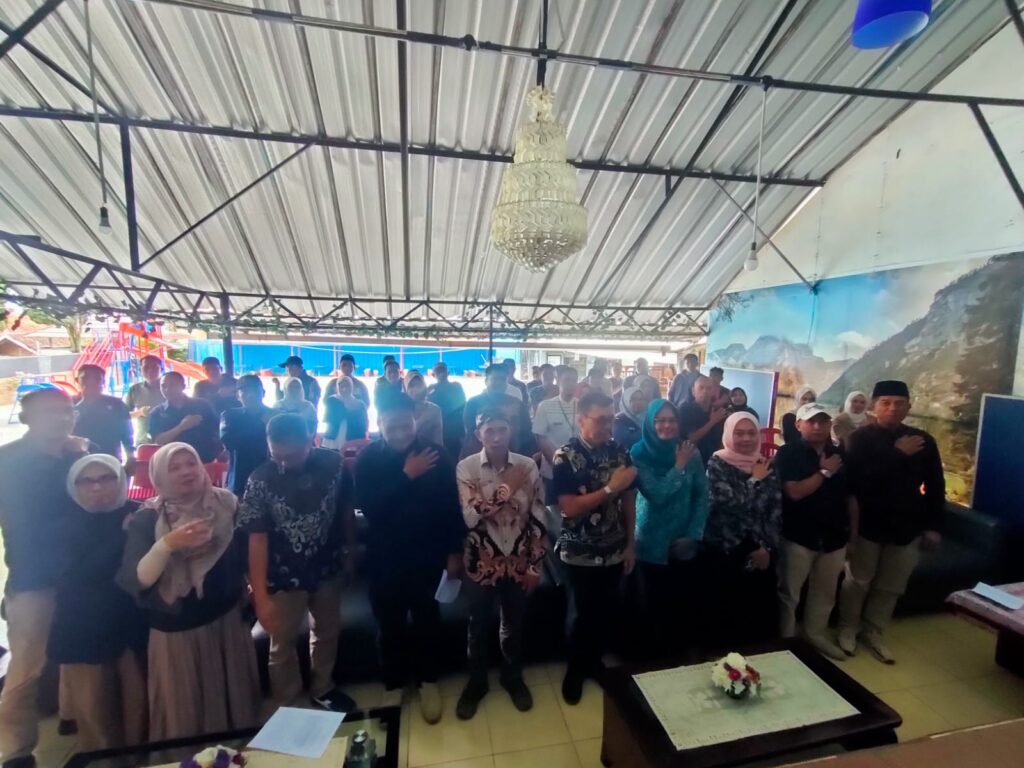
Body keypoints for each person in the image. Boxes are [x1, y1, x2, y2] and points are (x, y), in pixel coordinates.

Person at [117, 443, 260, 740]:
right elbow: (139, 579)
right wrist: (168, 544)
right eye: (174, 467)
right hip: (178, 630)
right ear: (158, 475)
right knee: (185, 708)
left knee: (234, 697)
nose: (186, 472)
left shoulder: (226, 503)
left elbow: (246, 552)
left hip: (227, 619)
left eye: (191, 463)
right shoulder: (148, 518)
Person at [354, 393, 465, 724]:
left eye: (406, 425)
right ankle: (393, 685)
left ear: (415, 420)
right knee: (389, 624)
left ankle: (429, 681)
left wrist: (454, 552)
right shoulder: (368, 459)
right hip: (384, 557)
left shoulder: (437, 454)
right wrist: (406, 476)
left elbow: (452, 508)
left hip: (428, 556)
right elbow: (370, 509)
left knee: (428, 620)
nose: (401, 433)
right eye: (392, 427)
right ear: (379, 423)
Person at [239, 414, 357, 712]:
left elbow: (346, 511)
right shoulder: (259, 480)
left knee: (327, 630)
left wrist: (350, 550)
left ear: (310, 441)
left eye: (290, 456)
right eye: (275, 455)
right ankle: (289, 702)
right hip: (282, 575)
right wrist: (260, 595)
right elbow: (256, 539)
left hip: (327, 567)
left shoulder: (334, 464)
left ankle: (323, 688)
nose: (282, 463)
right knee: (282, 643)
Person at [0, 390, 85, 768]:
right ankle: (16, 751)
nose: (63, 418)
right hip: (34, 577)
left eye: (67, 411)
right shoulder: (10, 460)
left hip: (80, 574)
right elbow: (31, 517)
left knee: (77, 652)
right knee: (26, 668)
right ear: (28, 418)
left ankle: (71, 716)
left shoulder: (74, 456)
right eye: (52, 412)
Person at [837, 381, 944, 664]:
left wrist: (933, 526)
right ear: (875, 406)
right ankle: (847, 629)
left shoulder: (922, 441)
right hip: (867, 525)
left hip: (907, 527)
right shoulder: (858, 439)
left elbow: (935, 486)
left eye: (899, 403)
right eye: (886, 402)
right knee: (857, 582)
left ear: (909, 407)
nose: (892, 408)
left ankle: (874, 632)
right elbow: (857, 482)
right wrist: (896, 455)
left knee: (891, 586)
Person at [50, 456, 147, 751]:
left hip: (131, 623)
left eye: (106, 478)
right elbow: (79, 573)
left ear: (121, 479)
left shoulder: (137, 512)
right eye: (87, 481)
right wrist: (122, 535)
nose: (97, 487)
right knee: (94, 706)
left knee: (136, 699)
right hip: (84, 627)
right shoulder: (63, 524)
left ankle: (138, 756)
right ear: (74, 486)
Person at [454, 411, 547, 720]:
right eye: (489, 430)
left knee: (513, 625)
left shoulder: (528, 465)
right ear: (478, 434)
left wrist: (534, 565)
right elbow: (471, 517)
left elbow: (538, 517)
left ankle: (512, 677)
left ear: (511, 431)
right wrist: (508, 487)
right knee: (477, 626)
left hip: (519, 560)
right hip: (481, 562)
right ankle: (477, 683)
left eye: (502, 429)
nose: (496, 436)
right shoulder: (466, 467)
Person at [552, 391, 637, 705]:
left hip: (614, 548)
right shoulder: (565, 456)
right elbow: (570, 508)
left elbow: (629, 499)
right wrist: (611, 487)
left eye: (610, 420)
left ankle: (595, 662)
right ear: (581, 420)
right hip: (579, 552)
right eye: (599, 420)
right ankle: (575, 669)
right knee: (579, 616)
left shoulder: (620, 451)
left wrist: (630, 543)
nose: (606, 426)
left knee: (605, 611)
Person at [774, 404, 854, 660]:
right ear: (799, 425)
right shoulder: (788, 453)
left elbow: (850, 497)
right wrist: (824, 472)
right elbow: (794, 492)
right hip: (798, 536)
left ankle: (815, 635)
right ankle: (785, 641)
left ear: (830, 424)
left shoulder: (839, 454)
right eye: (811, 421)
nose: (817, 427)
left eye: (823, 421)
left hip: (834, 537)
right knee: (789, 593)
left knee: (825, 592)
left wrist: (852, 535)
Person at [630, 400, 707, 659]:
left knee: (680, 602)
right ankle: (651, 660)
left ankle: (677, 657)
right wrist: (679, 466)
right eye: (660, 420)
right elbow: (657, 495)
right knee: (651, 604)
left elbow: (701, 495)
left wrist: (694, 535)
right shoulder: (639, 454)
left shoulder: (690, 451)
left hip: (684, 540)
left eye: (672, 420)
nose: (667, 425)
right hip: (650, 542)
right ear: (650, 424)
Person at [704, 413, 782, 645]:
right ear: (728, 434)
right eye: (739, 433)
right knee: (727, 614)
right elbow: (726, 503)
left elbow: (775, 509)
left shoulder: (764, 464)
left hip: (763, 550)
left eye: (751, 433)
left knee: (758, 615)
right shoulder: (717, 463)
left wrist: (765, 547)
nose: (746, 439)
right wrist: (754, 481)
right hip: (727, 548)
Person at [147, 372, 222, 462]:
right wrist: (181, 427)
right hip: (174, 463)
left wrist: (222, 451)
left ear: (183, 386)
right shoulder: (157, 413)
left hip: (206, 460)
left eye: (172, 385)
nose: (167, 389)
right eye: (163, 386)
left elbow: (218, 429)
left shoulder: (202, 405)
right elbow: (158, 441)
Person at [462, 364, 533, 458]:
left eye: (502, 379)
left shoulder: (517, 404)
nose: (499, 383)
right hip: (479, 457)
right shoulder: (473, 403)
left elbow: (526, 432)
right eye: (495, 379)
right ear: (486, 381)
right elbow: (470, 433)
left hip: (513, 456)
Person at [532, 366, 580, 504]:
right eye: (566, 380)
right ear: (557, 381)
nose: (570, 384)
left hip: (578, 468)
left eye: (574, 380)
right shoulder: (545, 406)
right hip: (552, 468)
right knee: (552, 509)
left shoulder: (582, 405)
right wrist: (557, 465)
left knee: (576, 507)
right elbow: (540, 438)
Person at [220, 375, 273, 496]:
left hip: (271, 476)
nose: (250, 395)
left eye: (255, 390)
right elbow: (229, 442)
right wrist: (261, 424)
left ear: (263, 392)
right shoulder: (229, 416)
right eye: (245, 391)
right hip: (239, 479)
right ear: (237, 395)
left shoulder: (276, 415)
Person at [73, 364, 134, 463]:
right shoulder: (69, 406)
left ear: (104, 382)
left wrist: (131, 457)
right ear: (77, 381)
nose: (91, 382)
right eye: (85, 378)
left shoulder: (116, 405)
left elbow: (127, 434)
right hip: (78, 462)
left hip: (111, 460)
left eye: (97, 379)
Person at [677, 375, 730, 464]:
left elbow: (724, 438)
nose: (705, 391)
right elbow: (692, 438)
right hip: (693, 459)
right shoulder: (685, 409)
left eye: (708, 388)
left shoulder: (718, 411)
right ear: (693, 391)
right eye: (701, 388)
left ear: (713, 391)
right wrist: (712, 422)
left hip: (715, 459)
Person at [428, 362, 467, 461]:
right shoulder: (430, 389)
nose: (441, 373)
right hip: (439, 430)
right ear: (433, 375)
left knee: (456, 458)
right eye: (438, 371)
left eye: (443, 371)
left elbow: (463, 405)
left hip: (455, 430)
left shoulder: (456, 386)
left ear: (448, 373)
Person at [125, 354, 165, 447]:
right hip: (143, 441)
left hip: (167, 440)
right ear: (140, 370)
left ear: (161, 369)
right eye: (146, 367)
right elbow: (125, 415)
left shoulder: (168, 388)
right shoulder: (135, 389)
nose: (150, 370)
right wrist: (139, 412)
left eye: (154, 367)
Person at [405, 371, 444, 447]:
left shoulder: (434, 410)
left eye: (419, 385)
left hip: (429, 451)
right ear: (405, 388)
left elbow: (438, 440)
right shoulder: (400, 410)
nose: (416, 389)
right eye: (411, 386)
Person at [613, 386, 648, 451]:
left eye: (641, 399)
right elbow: (624, 442)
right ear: (626, 400)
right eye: (633, 399)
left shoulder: (648, 416)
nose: (638, 402)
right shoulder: (619, 420)